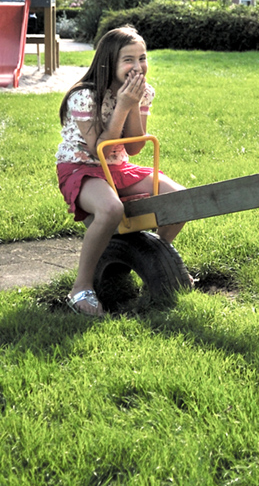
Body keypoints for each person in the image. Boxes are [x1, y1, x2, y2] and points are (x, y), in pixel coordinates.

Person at [56, 26, 188, 315]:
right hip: (82, 167)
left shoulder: (142, 92)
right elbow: (96, 149)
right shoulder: (85, 97)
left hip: (117, 166)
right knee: (111, 210)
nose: (138, 66)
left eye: (142, 58)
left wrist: (134, 103)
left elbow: (136, 147)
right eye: (128, 60)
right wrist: (124, 105)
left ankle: (154, 259)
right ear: (109, 63)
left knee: (180, 200)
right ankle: (80, 288)